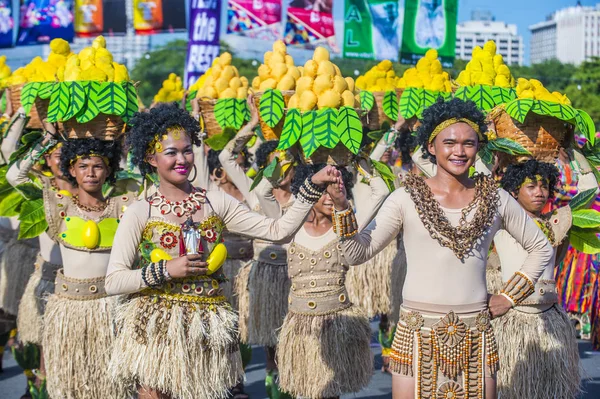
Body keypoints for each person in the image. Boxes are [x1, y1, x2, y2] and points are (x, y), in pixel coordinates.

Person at [105, 104, 339, 399]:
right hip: (155, 332)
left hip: (207, 329)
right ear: (151, 158)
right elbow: (113, 281)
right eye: (171, 152)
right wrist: (166, 270)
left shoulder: (216, 202)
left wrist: (312, 187)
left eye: (187, 150)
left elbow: (278, 231)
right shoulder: (140, 211)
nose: (182, 159)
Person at [326, 98, 553, 399]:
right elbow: (354, 254)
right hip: (417, 332)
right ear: (431, 146)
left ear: (478, 148)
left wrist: (509, 297)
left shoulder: (495, 198)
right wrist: (342, 209)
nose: (459, 151)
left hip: (476, 331)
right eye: (449, 142)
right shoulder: (404, 198)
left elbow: (542, 248)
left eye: (468, 143)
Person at [40, 134, 132, 399]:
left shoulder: (123, 207)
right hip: (69, 311)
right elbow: (16, 177)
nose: (90, 173)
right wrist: (48, 136)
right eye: (83, 166)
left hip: (111, 311)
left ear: (109, 170)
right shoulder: (60, 206)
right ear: (71, 169)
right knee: (72, 386)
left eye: (98, 166)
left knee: (112, 387)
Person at [276, 163, 373, 399]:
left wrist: (361, 160)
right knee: (305, 392)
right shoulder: (290, 227)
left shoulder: (348, 227)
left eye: (336, 189)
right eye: (324, 190)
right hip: (301, 328)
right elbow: (266, 193)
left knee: (330, 392)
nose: (330, 197)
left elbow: (379, 192)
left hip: (335, 326)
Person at [492, 160, 580, 398]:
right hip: (513, 323)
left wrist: (573, 154)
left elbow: (589, 194)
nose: (540, 192)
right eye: (531, 186)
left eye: (544, 186)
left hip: (551, 322)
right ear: (513, 191)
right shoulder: (501, 224)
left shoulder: (556, 223)